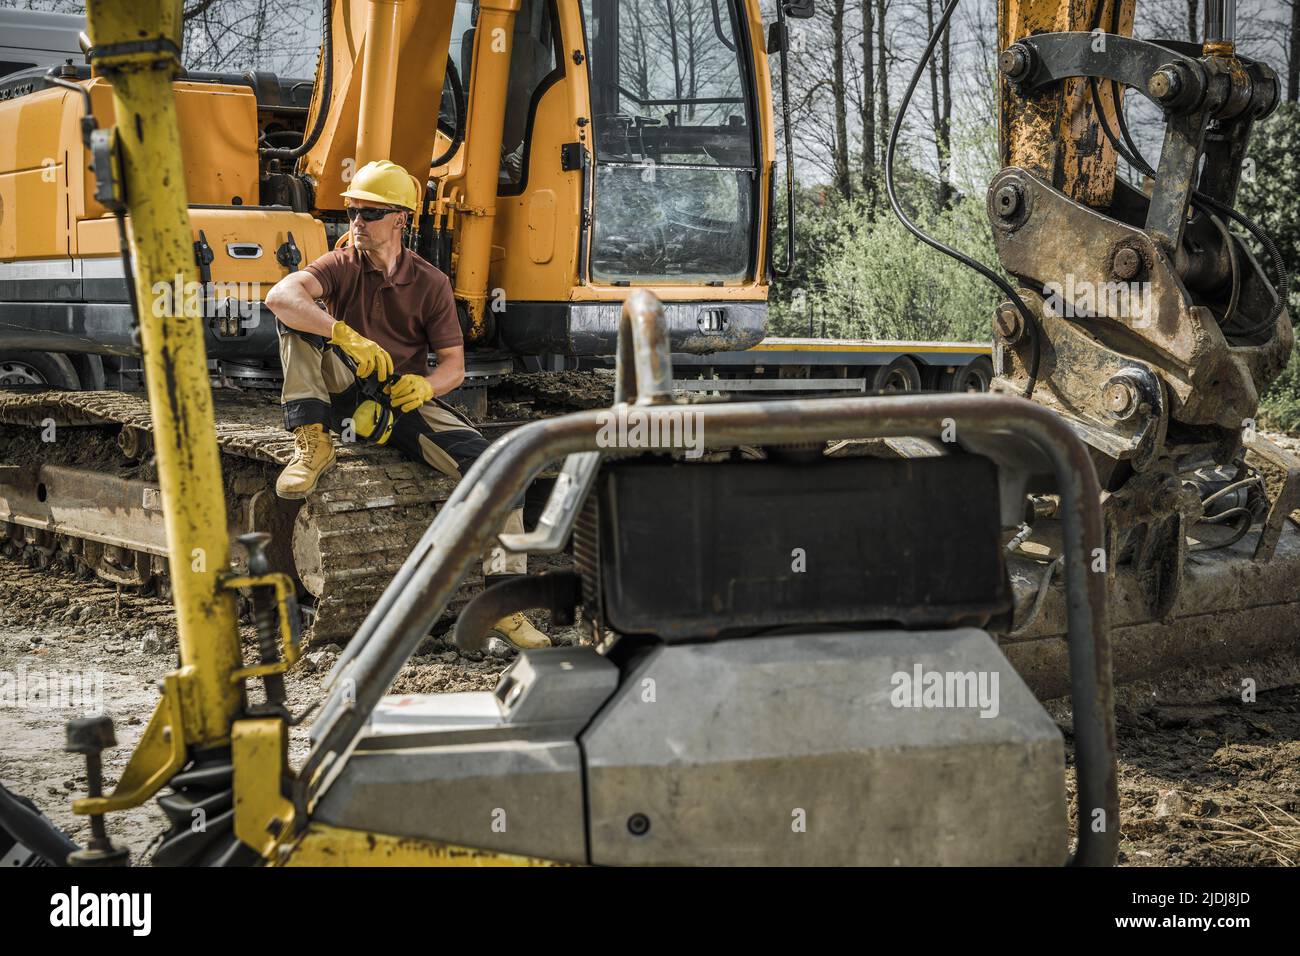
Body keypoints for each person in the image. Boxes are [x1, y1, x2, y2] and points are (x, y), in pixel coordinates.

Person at [264, 158, 548, 649]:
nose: (356, 222)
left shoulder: (431, 284)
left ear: (400, 219)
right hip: (338, 389)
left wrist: (426, 387)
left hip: (398, 399)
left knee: (502, 471)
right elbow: (281, 294)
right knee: (295, 319)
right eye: (352, 211)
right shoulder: (340, 264)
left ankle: (504, 607)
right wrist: (342, 333)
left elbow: (454, 367)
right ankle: (312, 444)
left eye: (369, 213)